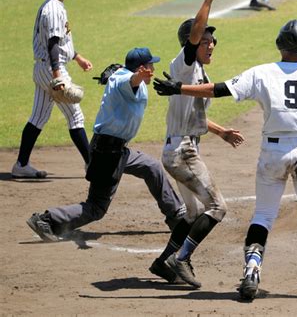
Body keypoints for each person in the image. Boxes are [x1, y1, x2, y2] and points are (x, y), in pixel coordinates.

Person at [154, 19, 297, 300]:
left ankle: (251, 271)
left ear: (280, 43)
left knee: (263, 216)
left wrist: (179, 88)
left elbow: (219, 89)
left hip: (273, 153)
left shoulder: (262, 72)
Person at [26, 47, 186, 242]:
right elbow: (129, 81)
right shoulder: (126, 80)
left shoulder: (121, 73)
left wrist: (129, 75)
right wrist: (137, 77)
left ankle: (177, 216)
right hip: (107, 152)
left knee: (151, 167)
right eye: (151, 65)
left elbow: (121, 75)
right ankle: (47, 220)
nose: (153, 69)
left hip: (118, 150)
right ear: (142, 68)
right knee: (96, 207)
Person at [147, 0, 245, 289]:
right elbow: (193, 36)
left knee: (192, 214)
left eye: (213, 41)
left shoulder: (198, 73)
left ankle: (163, 262)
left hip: (178, 149)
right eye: (206, 41)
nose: (211, 44)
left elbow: (195, 114)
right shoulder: (185, 66)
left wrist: (221, 131)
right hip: (182, 153)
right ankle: (182, 258)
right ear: (192, 44)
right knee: (218, 208)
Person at [12, 0, 93, 178]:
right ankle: (92, 165)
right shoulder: (55, 9)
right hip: (51, 68)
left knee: (38, 116)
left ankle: (21, 164)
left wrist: (77, 57)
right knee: (75, 116)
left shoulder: (49, 5)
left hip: (42, 67)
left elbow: (59, 40)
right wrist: (58, 74)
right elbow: (53, 43)